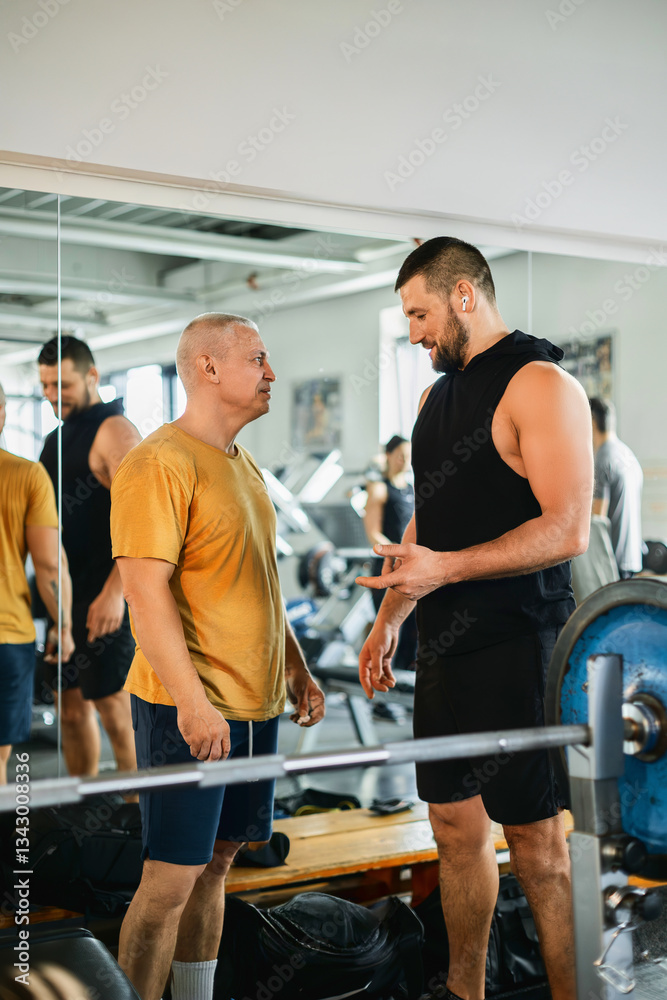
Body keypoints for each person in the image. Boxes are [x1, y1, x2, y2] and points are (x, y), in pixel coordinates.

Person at [356, 237, 592, 1000]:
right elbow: (432, 520)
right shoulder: (433, 399)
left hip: (522, 643)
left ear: (464, 296)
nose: (415, 331)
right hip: (446, 652)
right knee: (453, 831)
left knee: (536, 845)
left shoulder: (541, 384)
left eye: (420, 313)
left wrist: (444, 571)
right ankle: (465, 991)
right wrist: (392, 614)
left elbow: (567, 528)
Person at [110, 313, 325, 1000]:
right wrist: (193, 704)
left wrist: (295, 666)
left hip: (254, 705)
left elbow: (258, 573)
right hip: (190, 705)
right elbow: (145, 597)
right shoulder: (156, 463)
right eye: (258, 359)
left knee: (219, 863)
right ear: (207, 367)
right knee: (169, 878)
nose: (270, 374)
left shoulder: (240, 462)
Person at [38, 336, 141, 778]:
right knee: (72, 710)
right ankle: (83, 821)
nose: (52, 395)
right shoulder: (55, 439)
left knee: (115, 708)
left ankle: (140, 821)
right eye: (45, 385)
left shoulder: (115, 431)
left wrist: (115, 593)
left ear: (92, 376)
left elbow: (143, 517)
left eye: (62, 384)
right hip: (69, 598)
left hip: (107, 596)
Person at [0, 382, 74, 783]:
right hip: (7, 637)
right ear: (2, 413)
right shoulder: (28, 475)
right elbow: (48, 565)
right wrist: (62, 626)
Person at [364, 436, 418, 721]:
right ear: (388, 455)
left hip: (410, 568)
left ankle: (407, 692)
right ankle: (380, 701)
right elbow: (373, 532)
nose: (404, 461)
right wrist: (394, 554)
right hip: (386, 568)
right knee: (387, 630)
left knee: (413, 633)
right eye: (399, 455)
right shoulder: (379, 488)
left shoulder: (412, 489)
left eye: (408, 456)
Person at [590, 397, 643, 578]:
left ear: (592, 421)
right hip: (633, 557)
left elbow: (597, 519)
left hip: (613, 562)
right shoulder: (628, 455)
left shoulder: (603, 458)